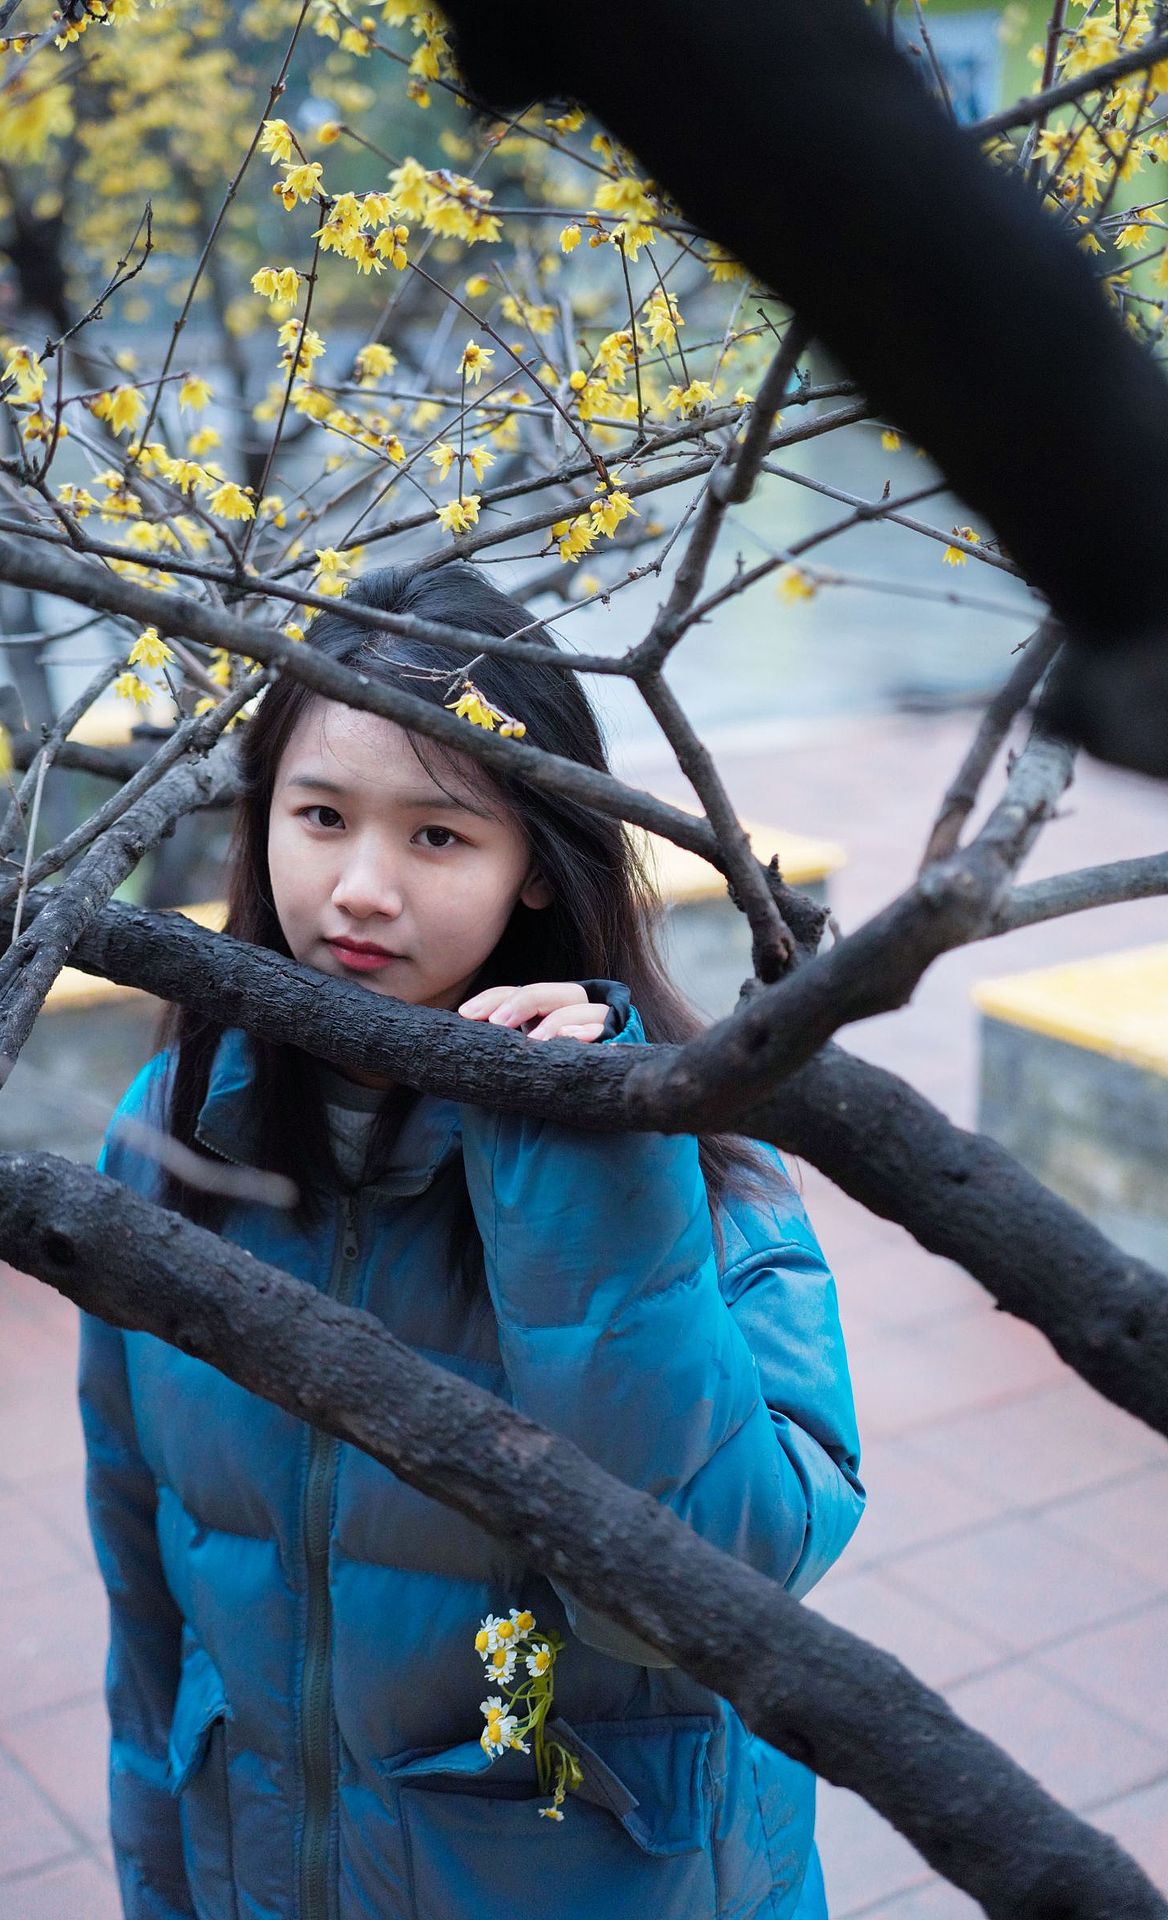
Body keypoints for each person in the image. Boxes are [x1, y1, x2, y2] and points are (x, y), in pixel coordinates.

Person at [79, 560, 864, 1920]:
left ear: (539, 872)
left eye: (438, 837)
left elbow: (721, 1593)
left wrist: (592, 1179)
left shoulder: (699, 1165)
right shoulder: (171, 1139)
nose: (361, 889)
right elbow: (147, 1587)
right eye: (320, 816)